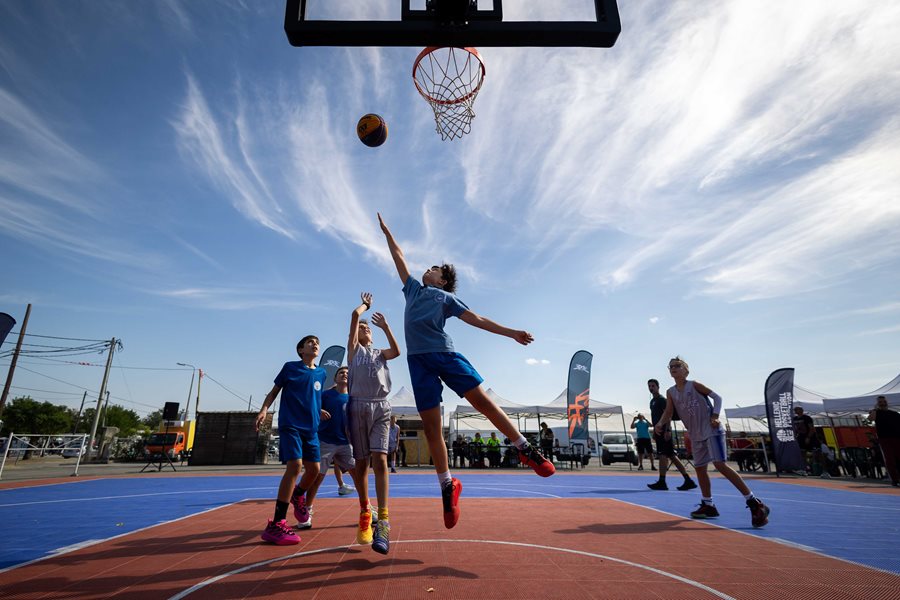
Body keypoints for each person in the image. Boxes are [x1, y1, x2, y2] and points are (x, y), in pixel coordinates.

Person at [378, 212, 554, 529]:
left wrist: (511, 332)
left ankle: (524, 448)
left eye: (434, 268)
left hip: (445, 354)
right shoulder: (413, 290)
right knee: (432, 427)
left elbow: (478, 320)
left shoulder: (446, 298)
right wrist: (388, 233)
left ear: (442, 280)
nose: (427, 269)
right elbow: (399, 257)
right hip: (418, 362)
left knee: (482, 402)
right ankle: (447, 484)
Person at [655, 357, 770, 527]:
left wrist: (715, 416)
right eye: (670, 366)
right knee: (700, 469)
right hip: (695, 434)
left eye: (677, 365)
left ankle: (754, 502)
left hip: (711, 430)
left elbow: (717, 397)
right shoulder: (671, 392)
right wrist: (660, 423)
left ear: (686, 370)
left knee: (720, 464)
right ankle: (708, 505)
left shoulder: (694, 385)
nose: (673, 368)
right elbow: (669, 411)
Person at [255, 335, 325, 545]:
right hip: (291, 424)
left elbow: (312, 396)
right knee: (295, 466)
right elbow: (274, 391)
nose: (314, 344)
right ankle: (276, 524)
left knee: (314, 470)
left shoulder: (321, 373)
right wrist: (264, 410)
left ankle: (298, 495)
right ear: (300, 350)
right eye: (310, 342)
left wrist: (317, 409)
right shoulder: (290, 368)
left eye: (317, 342)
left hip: (311, 428)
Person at [347, 292, 401, 554]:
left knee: (380, 459)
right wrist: (365, 306)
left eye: (368, 328)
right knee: (361, 462)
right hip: (357, 404)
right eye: (362, 328)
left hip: (380, 405)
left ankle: (384, 519)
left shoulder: (380, 353)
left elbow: (398, 351)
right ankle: (365, 512)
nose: (364, 328)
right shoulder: (354, 350)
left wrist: (386, 326)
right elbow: (355, 315)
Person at [297, 366, 359, 529]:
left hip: (346, 443)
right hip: (325, 441)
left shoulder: (353, 397)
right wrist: (319, 410)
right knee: (317, 478)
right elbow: (309, 405)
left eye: (347, 373)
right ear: (335, 378)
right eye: (341, 373)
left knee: (358, 476)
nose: (345, 374)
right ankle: (307, 510)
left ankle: (366, 508)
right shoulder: (326, 395)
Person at [646, 378, 696, 491]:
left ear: (658, 387)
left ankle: (662, 481)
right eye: (649, 386)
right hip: (658, 431)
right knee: (671, 456)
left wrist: (668, 430)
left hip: (664, 431)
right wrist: (655, 430)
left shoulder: (662, 400)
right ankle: (688, 480)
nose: (651, 388)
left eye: (653, 386)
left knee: (663, 456)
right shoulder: (652, 402)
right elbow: (655, 417)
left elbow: (668, 415)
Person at [868, 395, 900, 486]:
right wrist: (875, 409)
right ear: (877, 403)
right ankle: (895, 479)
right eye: (880, 402)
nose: (882, 403)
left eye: (884, 401)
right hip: (885, 439)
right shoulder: (876, 413)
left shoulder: (894, 414)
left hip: (897, 438)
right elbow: (870, 419)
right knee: (890, 459)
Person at [792, 406, 816, 472]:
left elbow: (812, 428)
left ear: (801, 410)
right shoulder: (794, 418)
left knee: (813, 452)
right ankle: (804, 468)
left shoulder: (807, 418)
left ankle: (812, 468)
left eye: (797, 409)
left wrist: (808, 437)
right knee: (801, 453)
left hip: (808, 437)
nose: (795, 410)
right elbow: (795, 429)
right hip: (800, 437)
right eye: (795, 410)